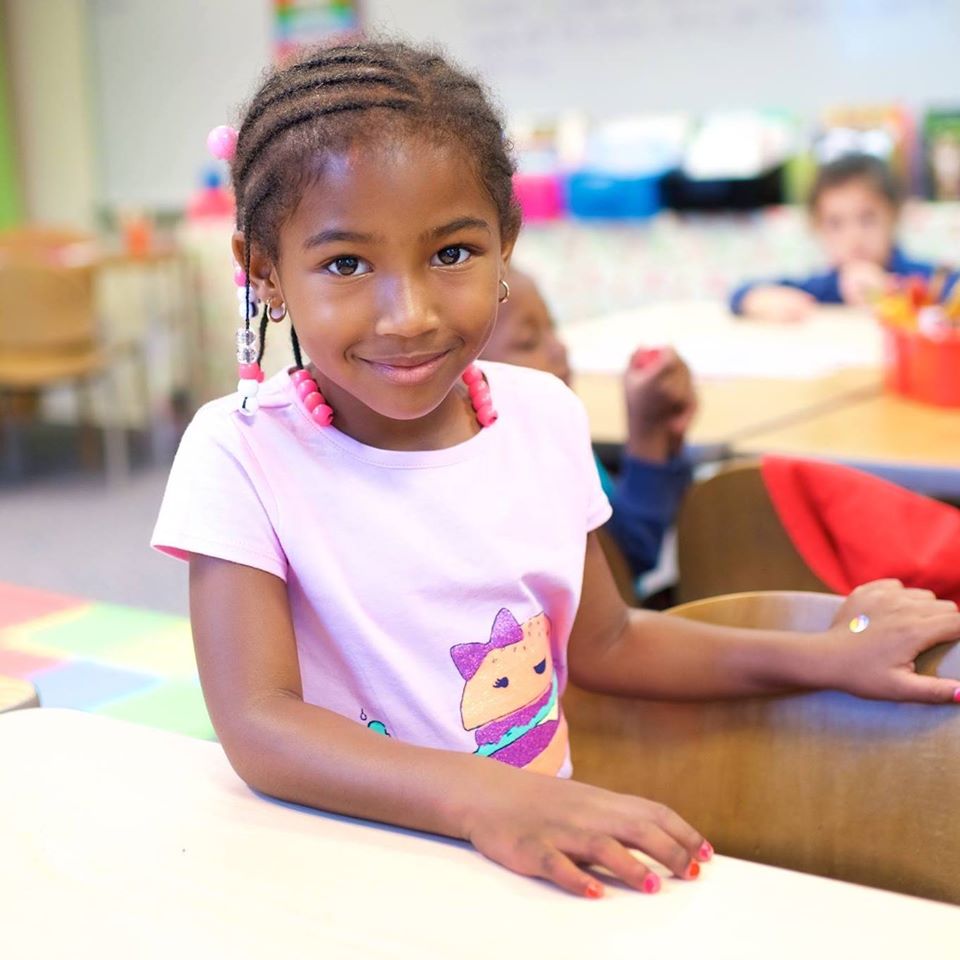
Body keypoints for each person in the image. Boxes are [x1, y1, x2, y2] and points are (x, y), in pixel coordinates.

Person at [153, 42, 960, 901]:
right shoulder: (238, 452)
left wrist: (821, 657)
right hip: (341, 884)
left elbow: (608, 641)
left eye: (453, 253)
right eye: (346, 264)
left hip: (531, 877)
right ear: (264, 271)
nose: (410, 314)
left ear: (506, 240)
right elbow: (260, 722)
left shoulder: (543, 416)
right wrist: (489, 799)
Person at [481, 267, 694, 577]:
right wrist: (648, 436)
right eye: (528, 342)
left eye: (553, 328)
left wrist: (667, 439)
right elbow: (629, 556)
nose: (559, 348)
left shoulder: (552, 425)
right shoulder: (537, 452)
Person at [730, 153, 960, 321]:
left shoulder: (924, 278)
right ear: (817, 228)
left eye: (867, 219)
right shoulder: (825, 287)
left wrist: (893, 294)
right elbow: (739, 293)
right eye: (835, 224)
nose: (854, 237)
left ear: (894, 216)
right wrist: (757, 299)